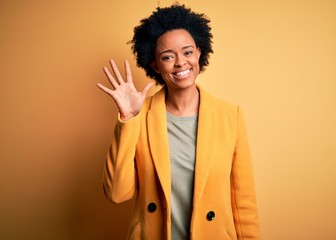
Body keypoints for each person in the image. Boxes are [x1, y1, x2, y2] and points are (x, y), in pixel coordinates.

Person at [97, 3, 260, 240]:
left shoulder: (230, 116)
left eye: (187, 52)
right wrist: (129, 118)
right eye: (167, 56)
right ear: (155, 65)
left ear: (199, 53)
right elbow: (117, 193)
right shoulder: (139, 116)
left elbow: (244, 200)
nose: (180, 62)